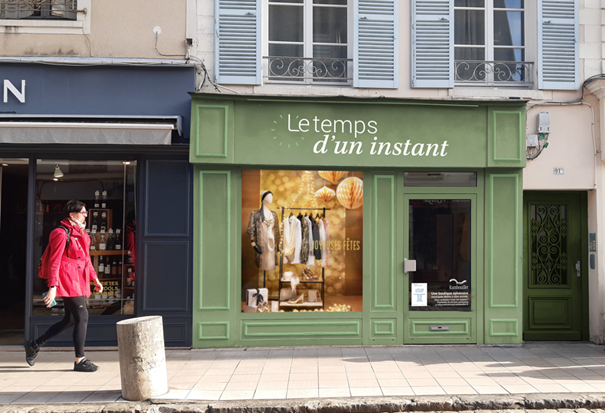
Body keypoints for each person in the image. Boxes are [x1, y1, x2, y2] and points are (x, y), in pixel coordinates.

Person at [24, 200, 103, 372]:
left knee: (71, 319)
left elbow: (86, 258)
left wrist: (94, 278)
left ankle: (34, 345)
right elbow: (55, 261)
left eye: (85, 212)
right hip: (68, 280)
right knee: (82, 316)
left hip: (78, 279)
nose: (85, 215)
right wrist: (53, 286)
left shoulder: (82, 233)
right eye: (82, 212)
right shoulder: (60, 233)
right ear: (71, 214)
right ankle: (80, 360)